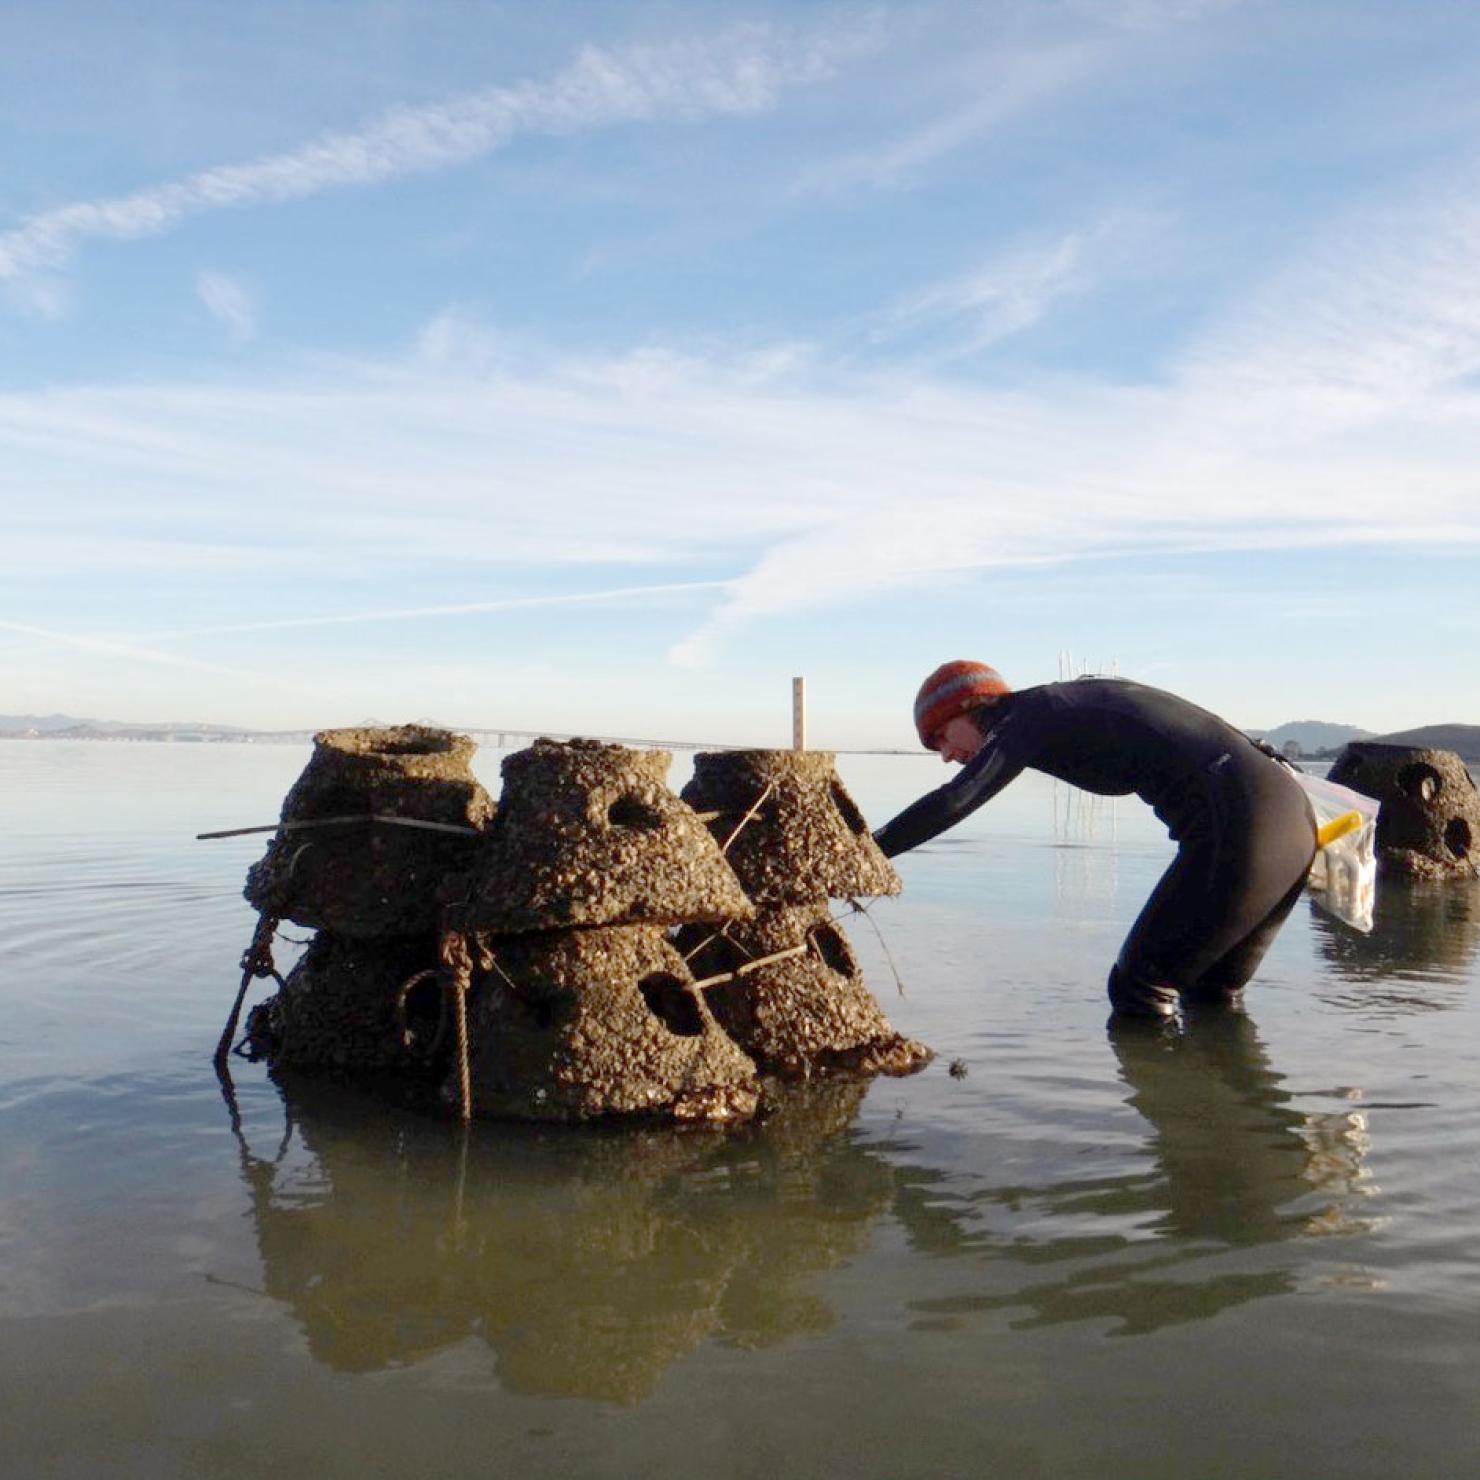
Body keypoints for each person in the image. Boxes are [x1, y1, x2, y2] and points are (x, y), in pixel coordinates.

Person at [871, 661, 1317, 1020]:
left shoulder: (1024, 716)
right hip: (1291, 822)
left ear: (969, 704)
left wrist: (866, 852)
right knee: (1208, 992)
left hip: (1245, 823)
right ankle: (1232, 1107)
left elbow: (958, 798)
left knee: (1139, 989)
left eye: (940, 736)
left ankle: (1166, 1100)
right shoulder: (1059, 705)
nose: (945, 754)